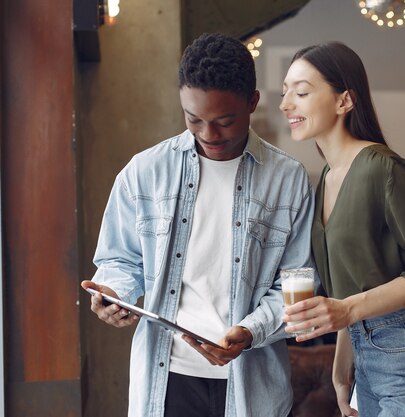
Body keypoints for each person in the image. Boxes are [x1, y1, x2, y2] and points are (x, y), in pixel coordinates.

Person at [81, 33, 314, 417]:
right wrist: (113, 293)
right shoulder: (144, 172)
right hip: (166, 378)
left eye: (225, 121)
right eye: (194, 120)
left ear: (252, 103)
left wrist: (249, 332)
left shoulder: (288, 180)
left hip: (252, 384)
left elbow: (297, 287)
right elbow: (120, 261)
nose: (209, 135)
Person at [280, 41, 405, 417]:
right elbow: (351, 289)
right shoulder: (327, 178)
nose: (286, 105)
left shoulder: (385, 169)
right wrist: (341, 369)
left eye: (300, 92)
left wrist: (347, 311)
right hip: (366, 364)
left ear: (344, 100)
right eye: (285, 93)